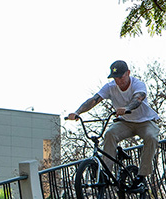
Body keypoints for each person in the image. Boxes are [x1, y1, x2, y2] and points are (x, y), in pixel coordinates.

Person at [66, 60, 160, 188]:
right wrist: (77, 112)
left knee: (151, 137)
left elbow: (138, 99)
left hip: (145, 121)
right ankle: (105, 173)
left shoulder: (138, 84)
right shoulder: (110, 87)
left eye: (121, 77)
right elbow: (94, 100)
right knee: (109, 133)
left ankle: (142, 174)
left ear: (128, 73)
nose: (119, 81)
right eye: (115, 78)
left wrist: (127, 108)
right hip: (125, 123)